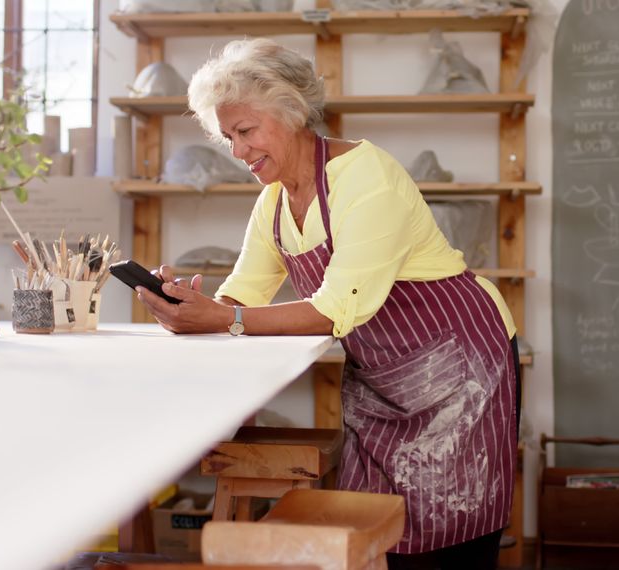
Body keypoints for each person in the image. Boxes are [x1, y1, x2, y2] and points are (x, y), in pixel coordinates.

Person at [134, 37, 519, 570]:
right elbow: (242, 295)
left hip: (458, 367)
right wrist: (189, 308)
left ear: (291, 113)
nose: (239, 152)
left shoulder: (366, 177)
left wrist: (225, 319)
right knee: (369, 535)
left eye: (246, 132)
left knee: (449, 532)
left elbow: (337, 306)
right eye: (228, 138)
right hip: (381, 378)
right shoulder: (273, 201)